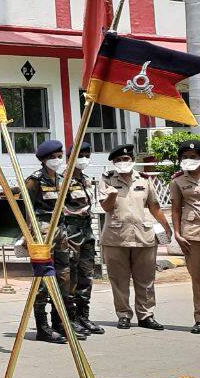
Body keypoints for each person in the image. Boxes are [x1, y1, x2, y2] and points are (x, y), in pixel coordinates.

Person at [99, 143, 172, 330]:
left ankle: (146, 315)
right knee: (119, 279)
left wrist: (166, 227)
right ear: (114, 163)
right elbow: (105, 207)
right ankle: (123, 315)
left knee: (146, 279)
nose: (123, 163)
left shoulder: (144, 179)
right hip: (116, 238)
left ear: (132, 160)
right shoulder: (106, 180)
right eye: (119, 160)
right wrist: (112, 195)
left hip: (144, 235)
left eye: (126, 159)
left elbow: (154, 206)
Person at [24, 140, 84, 343]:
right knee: (43, 279)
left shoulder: (61, 179)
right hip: (42, 232)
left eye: (60, 156)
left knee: (64, 277)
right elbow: (27, 209)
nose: (57, 160)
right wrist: (27, 235)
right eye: (53, 157)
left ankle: (61, 323)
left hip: (60, 231)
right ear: (43, 159)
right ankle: (43, 327)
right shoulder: (34, 180)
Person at [66, 142, 103, 335]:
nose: (84, 158)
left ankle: (83, 316)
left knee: (86, 276)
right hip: (70, 232)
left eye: (87, 154)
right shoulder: (61, 180)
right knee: (70, 277)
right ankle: (70, 318)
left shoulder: (86, 179)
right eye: (80, 154)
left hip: (87, 232)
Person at [168, 139, 200, 334]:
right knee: (197, 279)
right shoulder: (177, 181)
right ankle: (199, 318)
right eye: (185, 157)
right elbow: (175, 210)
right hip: (192, 235)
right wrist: (177, 234)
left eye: (194, 157)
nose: (189, 160)